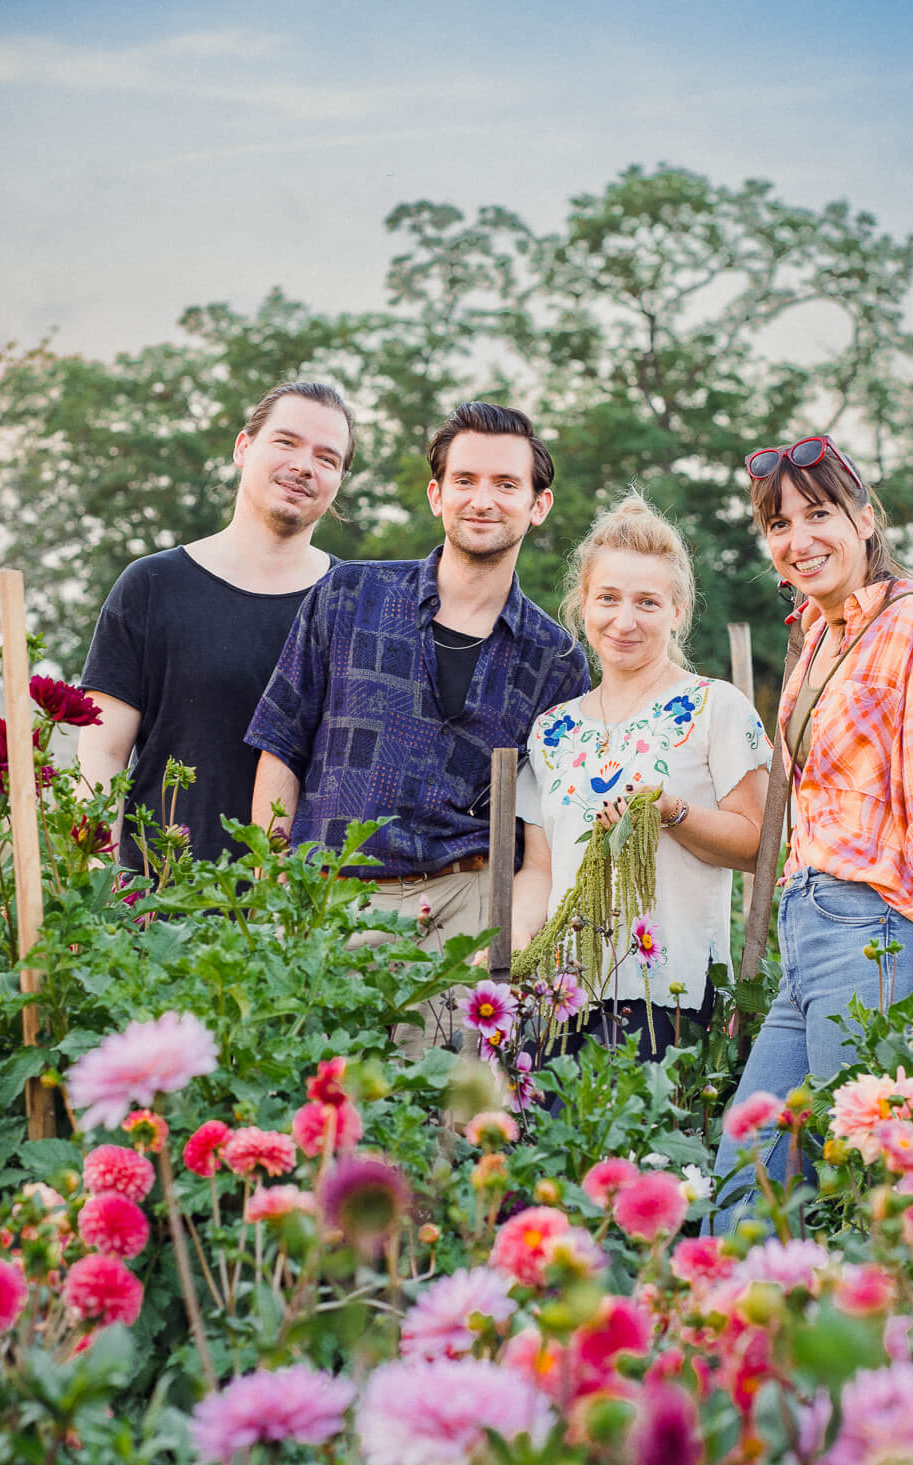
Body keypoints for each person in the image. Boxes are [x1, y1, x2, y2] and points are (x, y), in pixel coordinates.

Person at [711, 433, 913, 1220]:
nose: (798, 541)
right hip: (813, 936)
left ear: (866, 517)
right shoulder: (820, 637)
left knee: (872, 1188)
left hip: (882, 932)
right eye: (778, 526)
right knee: (749, 1183)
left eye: (819, 515)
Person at [247, 401, 589, 1043]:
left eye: (505, 484)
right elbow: (280, 747)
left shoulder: (558, 661)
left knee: (444, 1131)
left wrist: (512, 932)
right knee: (320, 1116)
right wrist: (272, 894)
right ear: (437, 494)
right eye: (465, 480)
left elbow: (548, 826)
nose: (482, 500)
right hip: (333, 902)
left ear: (538, 505)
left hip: (466, 909)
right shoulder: (349, 597)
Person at [512, 493, 770, 1061]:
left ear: (677, 611)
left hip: (668, 992)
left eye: (647, 603)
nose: (623, 621)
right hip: (563, 992)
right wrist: (518, 945)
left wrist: (672, 813)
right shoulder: (552, 731)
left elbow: (761, 846)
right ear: (583, 603)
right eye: (607, 598)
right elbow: (540, 867)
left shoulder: (713, 708)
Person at [77, 379, 355, 871]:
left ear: (338, 482)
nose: (303, 466)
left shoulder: (355, 604)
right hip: (162, 901)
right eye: (286, 443)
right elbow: (101, 755)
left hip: (304, 919)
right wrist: (95, 888)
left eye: (326, 458)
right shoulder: (154, 584)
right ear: (243, 448)